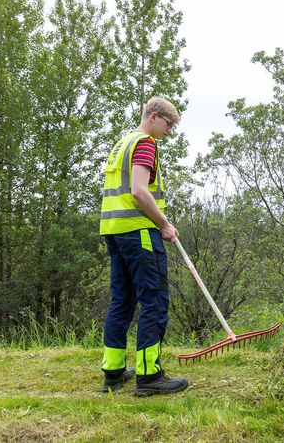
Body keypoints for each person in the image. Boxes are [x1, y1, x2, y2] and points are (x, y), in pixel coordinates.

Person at [99, 97, 188, 397]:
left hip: (114, 230)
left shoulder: (121, 143)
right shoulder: (146, 143)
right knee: (154, 299)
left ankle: (112, 372)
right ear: (153, 117)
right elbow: (139, 191)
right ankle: (149, 376)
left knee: (122, 299)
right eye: (168, 125)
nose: (169, 132)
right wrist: (163, 223)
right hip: (139, 232)